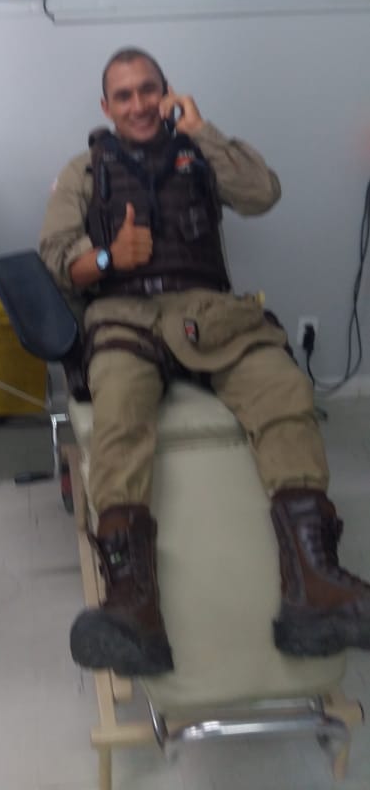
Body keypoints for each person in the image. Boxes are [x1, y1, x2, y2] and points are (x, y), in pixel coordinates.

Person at [40, 46, 370, 678]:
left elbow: (263, 193)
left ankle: (314, 585)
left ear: (168, 93)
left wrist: (203, 131)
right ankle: (132, 606)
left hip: (209, 313)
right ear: (106, 106)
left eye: (149, 90)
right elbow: (56, 258)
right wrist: (109, 257)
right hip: (123, 317)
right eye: (124, 95)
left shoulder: (200, 151)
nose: (138, 104)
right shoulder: (83, 170)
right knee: (120, 420)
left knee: (285, 392)